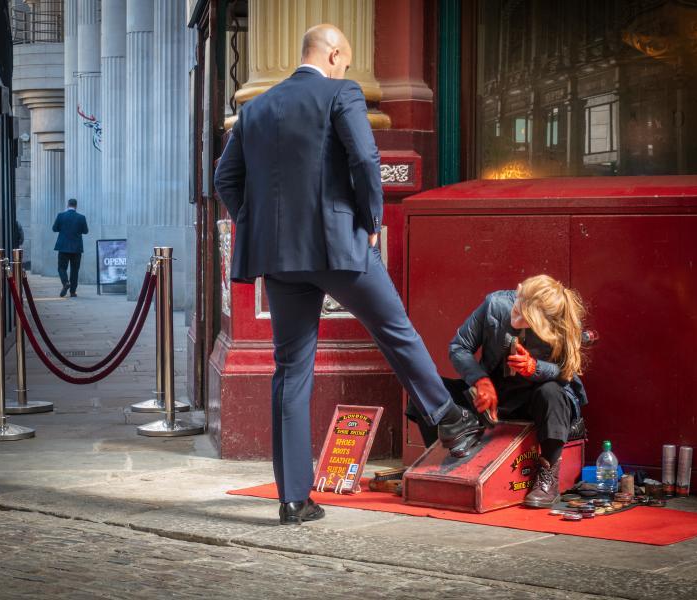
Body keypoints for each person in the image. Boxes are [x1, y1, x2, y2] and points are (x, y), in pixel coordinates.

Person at [213, 24, 481, 525]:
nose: (345, 70)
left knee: (291, 370)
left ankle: (294, 499)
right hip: (341, 246)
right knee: (395, 330)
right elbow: (364, 157)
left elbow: (224, 178)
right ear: (334, 54)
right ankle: (450, 420)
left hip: (281, 259)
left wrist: (261, 225)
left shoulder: (255, 110)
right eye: (346, 62)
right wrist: (371, 220)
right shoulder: (342, 93)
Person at [426, 275, 589, 509]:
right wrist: (480, 380)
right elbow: (459, 346)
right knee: (428, 391)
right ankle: (434, 466)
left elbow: (567, 371)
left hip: (535, 399)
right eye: (518, 309)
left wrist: (535, 368)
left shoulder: (562, 321)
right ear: (518, 290)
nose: (517, 318)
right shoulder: (494, 304)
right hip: (493, 396)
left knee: (552, 392)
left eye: (527, 319)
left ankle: (548, 475)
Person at [52, 198, 88, 298]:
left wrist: (63, 229)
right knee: (75, 270)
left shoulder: (61, 216)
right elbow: (85, 231)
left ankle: (65, 283)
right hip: (76, 248)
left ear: (67, 205)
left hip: (63, 247)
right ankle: (73, 292)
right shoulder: (81, 217)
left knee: (61, 267)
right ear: (76, 206)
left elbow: (54, 229)